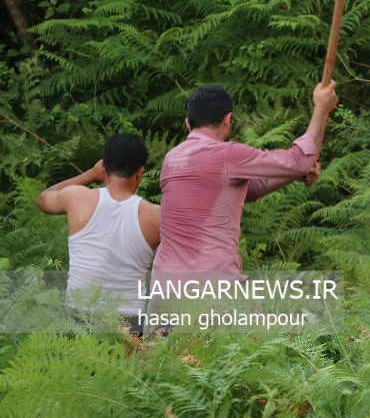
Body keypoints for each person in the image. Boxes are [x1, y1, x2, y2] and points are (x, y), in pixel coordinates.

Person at [151, 82, 337, 277]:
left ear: (188, 123)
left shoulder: (171, 159)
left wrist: (295, 175)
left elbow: (252, 190)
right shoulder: (227, 154)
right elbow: (299, 160)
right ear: (228, 120)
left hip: (164, 288)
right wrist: (321, 109)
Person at [36, 133, 160, 329]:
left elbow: (43, 199)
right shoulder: (156, 216)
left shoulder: (76, 198)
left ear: (103, 167)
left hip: (78, 319)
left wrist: (90, 175)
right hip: (128, 325)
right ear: (140, 172)